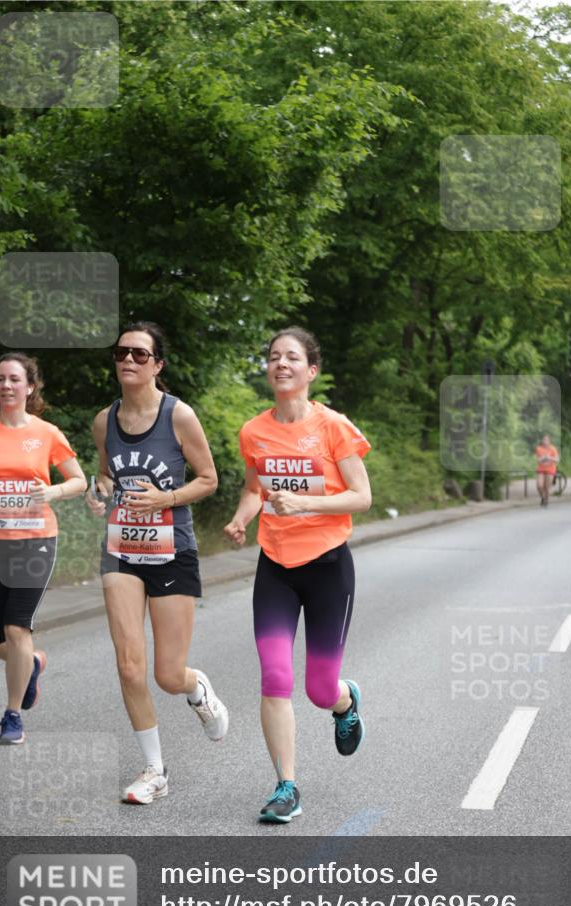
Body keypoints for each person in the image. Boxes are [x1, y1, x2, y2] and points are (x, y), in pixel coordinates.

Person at [224, 326, 372, 823]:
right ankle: (286, 786)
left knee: (318, 689)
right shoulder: (254, 431)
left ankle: (345, 700)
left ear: (311, 371)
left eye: (291, 357)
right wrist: (243, 516)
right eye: (273, 357)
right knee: (275, 677)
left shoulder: (334, 427)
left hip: (329, 566)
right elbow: (254, 488)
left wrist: (305, 502)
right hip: (276, 567)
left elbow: (361, 496)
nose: (280, 363)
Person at [86, 321, 228, 805]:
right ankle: (155, 770)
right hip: (121, 549)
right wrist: (98, 492)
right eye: (122, 352)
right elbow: (106, 477)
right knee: (129, 665)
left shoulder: (179, 416)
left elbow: (208, 479)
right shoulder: (104, 421)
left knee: (167, 674)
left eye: (140, 355)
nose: (128, 360)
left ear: (157, 365)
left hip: (172, 549)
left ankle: (196, 688)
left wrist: (164, 497)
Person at [0, 353, 86, 744]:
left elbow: (79, 481)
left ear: (29, 387)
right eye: (0, 379)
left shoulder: (47, 433)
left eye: (14, 379)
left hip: (35, 540)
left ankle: (12, 715)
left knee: (16, 627)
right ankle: (32, 664)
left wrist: (52, 490)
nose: (6, 386)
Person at [535, 434, 559, 507]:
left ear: (549, 441)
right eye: (543, 440)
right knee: (539, 485)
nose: (545, 441)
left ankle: (546, 500)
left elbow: (557, 459)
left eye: (546, 440)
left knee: (547, 487)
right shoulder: (539, 448)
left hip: (550, 469)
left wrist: (550, 458)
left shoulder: (553, 449)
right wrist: (543, 458)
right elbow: (538, 460)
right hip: (541, 469)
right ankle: (543, 497)